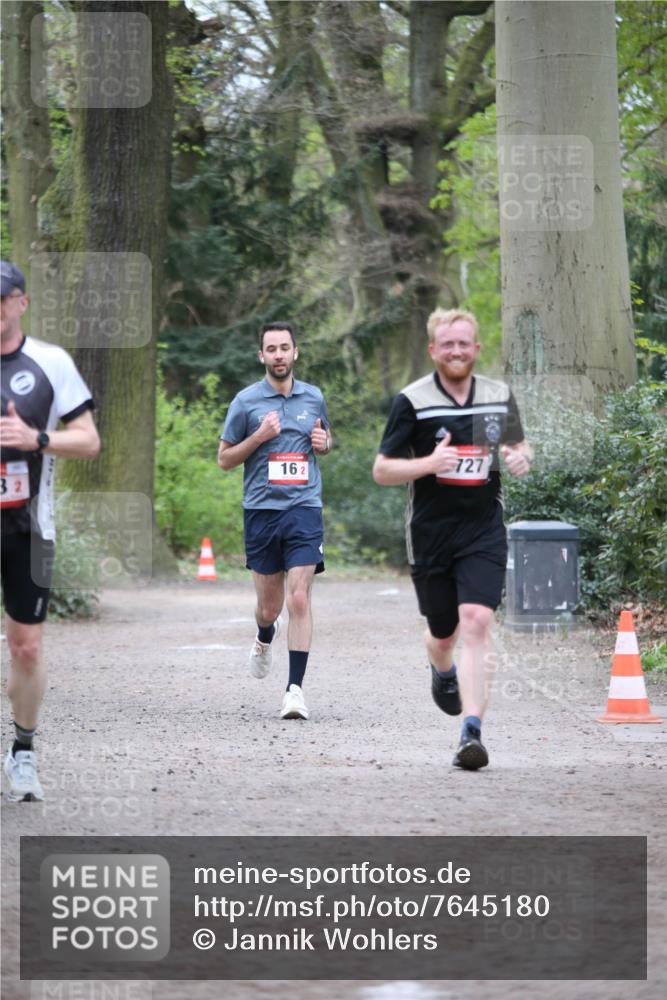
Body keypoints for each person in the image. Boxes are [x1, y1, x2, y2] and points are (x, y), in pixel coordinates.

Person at [373, 308, 532, 770]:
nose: (457, 351)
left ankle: (471, 731)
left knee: (477, 619)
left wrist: (519, 458)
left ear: (477, 348)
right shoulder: (413, 401)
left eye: (464, 343)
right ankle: (441, 668)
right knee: (444, 632)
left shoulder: (499, 396)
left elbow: (519, 446)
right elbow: (382, 470)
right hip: (431, 534)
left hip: (483, 528)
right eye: (448, 344)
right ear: (433, 350)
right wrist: (427, 465)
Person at [1, 260, 100, 801]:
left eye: (2, 298)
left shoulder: (51, 363)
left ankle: (23, 751)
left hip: (30, 531)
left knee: (28, 650)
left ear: (22, 302)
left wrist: (37, 439)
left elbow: (88, 440)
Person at [217, 322, 332, 721]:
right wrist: (259, 438)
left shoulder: (313, 397)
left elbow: (325, 440)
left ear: (295, 353)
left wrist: (325, 444)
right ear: (261, 355)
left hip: (304, 507)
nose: (279, 355)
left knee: (299, 597)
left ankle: (294, 690)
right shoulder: (246, 402)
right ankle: (265, 634)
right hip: (262, 511)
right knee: (270, 607)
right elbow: (225, 459)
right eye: (272, 349)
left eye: (285, 347)